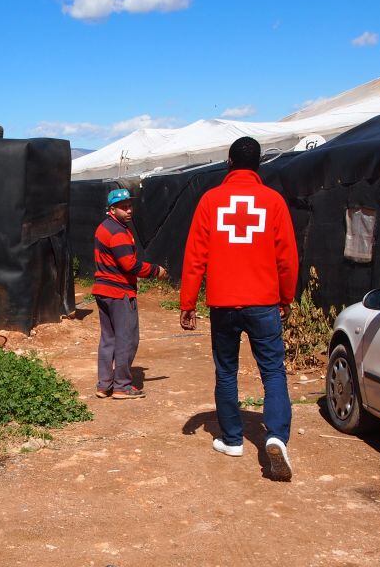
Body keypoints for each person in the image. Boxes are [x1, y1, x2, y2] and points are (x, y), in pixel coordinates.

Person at [179, 137, 298, 481]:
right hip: (264, 303)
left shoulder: (210, 200)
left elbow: (195, 255)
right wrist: (286, 298)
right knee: (272, 372)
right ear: (259, 163)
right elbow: (287, 257)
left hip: (224, 303)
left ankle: (232, 440)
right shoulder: (273, 201)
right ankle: (276, 437)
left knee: (227, 371)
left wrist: (188, 302)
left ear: (229, 162)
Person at [93, 188, 167, 399]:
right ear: (112, 209)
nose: (128, 210)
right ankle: (122, 386)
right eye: (122, 207)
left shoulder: (104, 227)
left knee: (108, 339)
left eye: (129, 206)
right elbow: (129, 265)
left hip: (103, 290)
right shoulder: (118, 232)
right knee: (127, 339)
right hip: (119, 292)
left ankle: (104, 384)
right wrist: (156, 271)